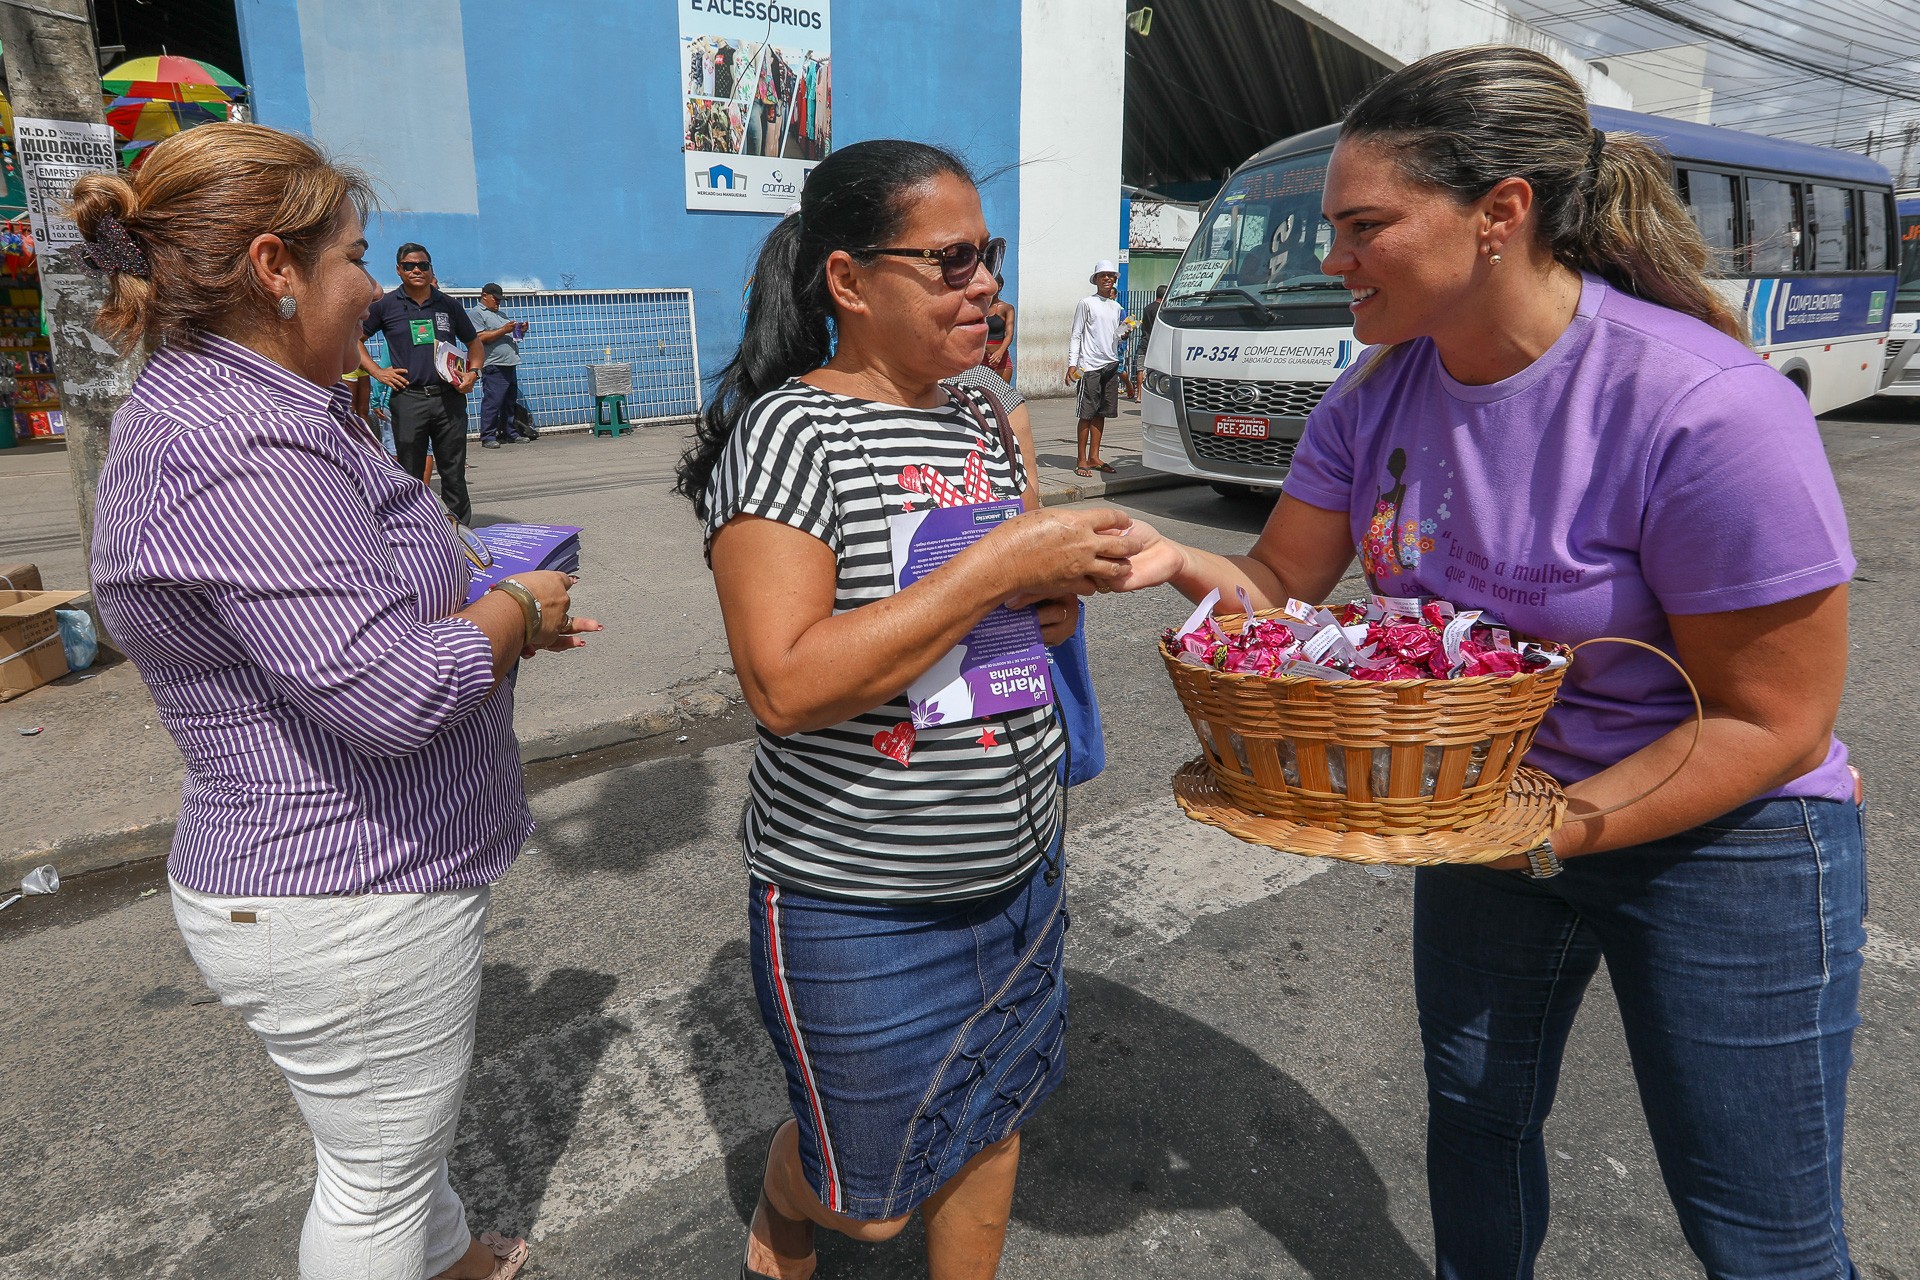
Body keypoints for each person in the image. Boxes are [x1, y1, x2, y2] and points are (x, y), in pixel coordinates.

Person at [1113, 45, 1866, 1280]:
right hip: (1491, 816)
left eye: (1365, 226)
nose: (1330, 258)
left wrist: (1539, 828)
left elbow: (1770, 719)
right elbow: (1282, 591)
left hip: (1725, 835)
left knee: (1757, 1227)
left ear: (1500, 214)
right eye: (1330, 228)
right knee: (1474, 1121)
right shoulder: (1373, 397)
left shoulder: (1704, 408)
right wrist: (1169, 557)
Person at [77, 123, 602, 1280]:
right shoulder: (239, 442)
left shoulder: (260, 405)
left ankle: (453, 1255)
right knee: (372, 1182)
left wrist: (493, 609)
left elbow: (349, 617)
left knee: (388, 1146)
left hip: (339, 874)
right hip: (344, 888)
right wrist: (512, 611)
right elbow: (387, 689)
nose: (372, 286)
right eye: (354, 256)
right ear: (276, 266)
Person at [675, 139, 1141, 1280]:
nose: (983, 281)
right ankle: (792, 1205)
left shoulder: (985, 418)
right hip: (861, 896)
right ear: (849, 282)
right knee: (870, 1202)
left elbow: (1013, 624)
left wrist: (1049, 607)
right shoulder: (792, 431)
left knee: (991, 1118)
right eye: (949, 261)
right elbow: (783, 681)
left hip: (1021, 866)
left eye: (988, 256)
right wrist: (996, 568)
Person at [362, 243, 483, 521]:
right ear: (399, 269)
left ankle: (462, 536)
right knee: (409, 472)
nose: (416, 270)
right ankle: (414, 531)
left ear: (431, 269)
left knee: (453, 472)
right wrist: (377, 372)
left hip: (448, 398)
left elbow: (474, 343)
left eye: (422, 265)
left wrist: (473, 373)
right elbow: (354, 341)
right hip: (408, 399)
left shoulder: (448, 305)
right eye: (409, 265)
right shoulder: (386, 306)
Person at [1064, 260, 1126, 477]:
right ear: (1096, 280)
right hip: (1089, 367)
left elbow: (1115, 336)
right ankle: (1081, 459)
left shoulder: (1116, 307)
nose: (1107, 278)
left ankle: (1094, 456)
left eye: (1111, 275)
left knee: (1102, 413)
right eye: (1103, 276)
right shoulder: (1086, 303)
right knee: (1086, 414)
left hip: (1110, 365)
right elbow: (1076, 334)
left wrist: (1124, 333)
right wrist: (1072, 364)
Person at [469, 284, 535, 447]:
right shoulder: (476, 314)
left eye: (500, 300)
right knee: (493, 401)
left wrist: (520, 330)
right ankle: (488, 436)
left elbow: (508, 333)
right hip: (494, 364)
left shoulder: (500, 314)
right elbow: (480, 338)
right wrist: (504, 329)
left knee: (509, 401)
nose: (498, 302)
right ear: (484, 296)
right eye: (495, 299)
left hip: (509, 362)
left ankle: (510, 433)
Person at [1131, 283, 1166, 398]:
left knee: (1140, 369)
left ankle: (1139, 395)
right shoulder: (1162, 310)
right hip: (1156, 344)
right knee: (1156, 370)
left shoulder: (1147, 308)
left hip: (1144, 341)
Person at [982, 275, 1015, 381]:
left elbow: (1009, 334)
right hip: (981, 359)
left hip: (1001, 359)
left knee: (1001, 395)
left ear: (999, 286)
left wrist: (1000, 352)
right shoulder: (979, 307)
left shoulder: (1006, 308)